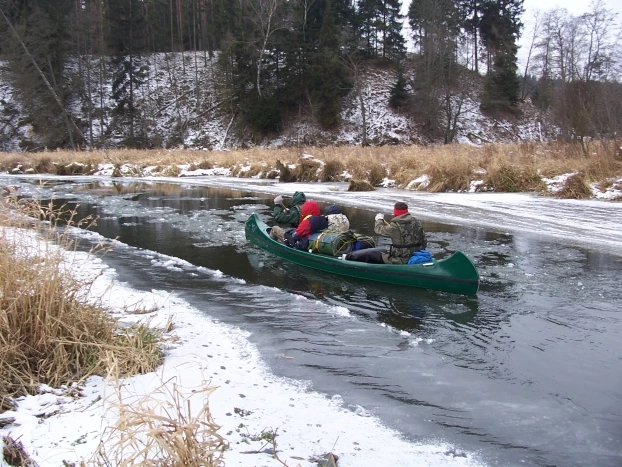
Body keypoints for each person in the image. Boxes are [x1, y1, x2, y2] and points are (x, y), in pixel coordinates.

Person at [346, 201, 427, 264]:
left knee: (371, 254)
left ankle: (348, 259)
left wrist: (379, 220)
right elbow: (424, 241)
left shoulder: (395, 226)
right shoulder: (417, 222)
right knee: (384, 250)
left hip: (400, 259)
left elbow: (379, 229)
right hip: (417, 255)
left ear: (396, 212)